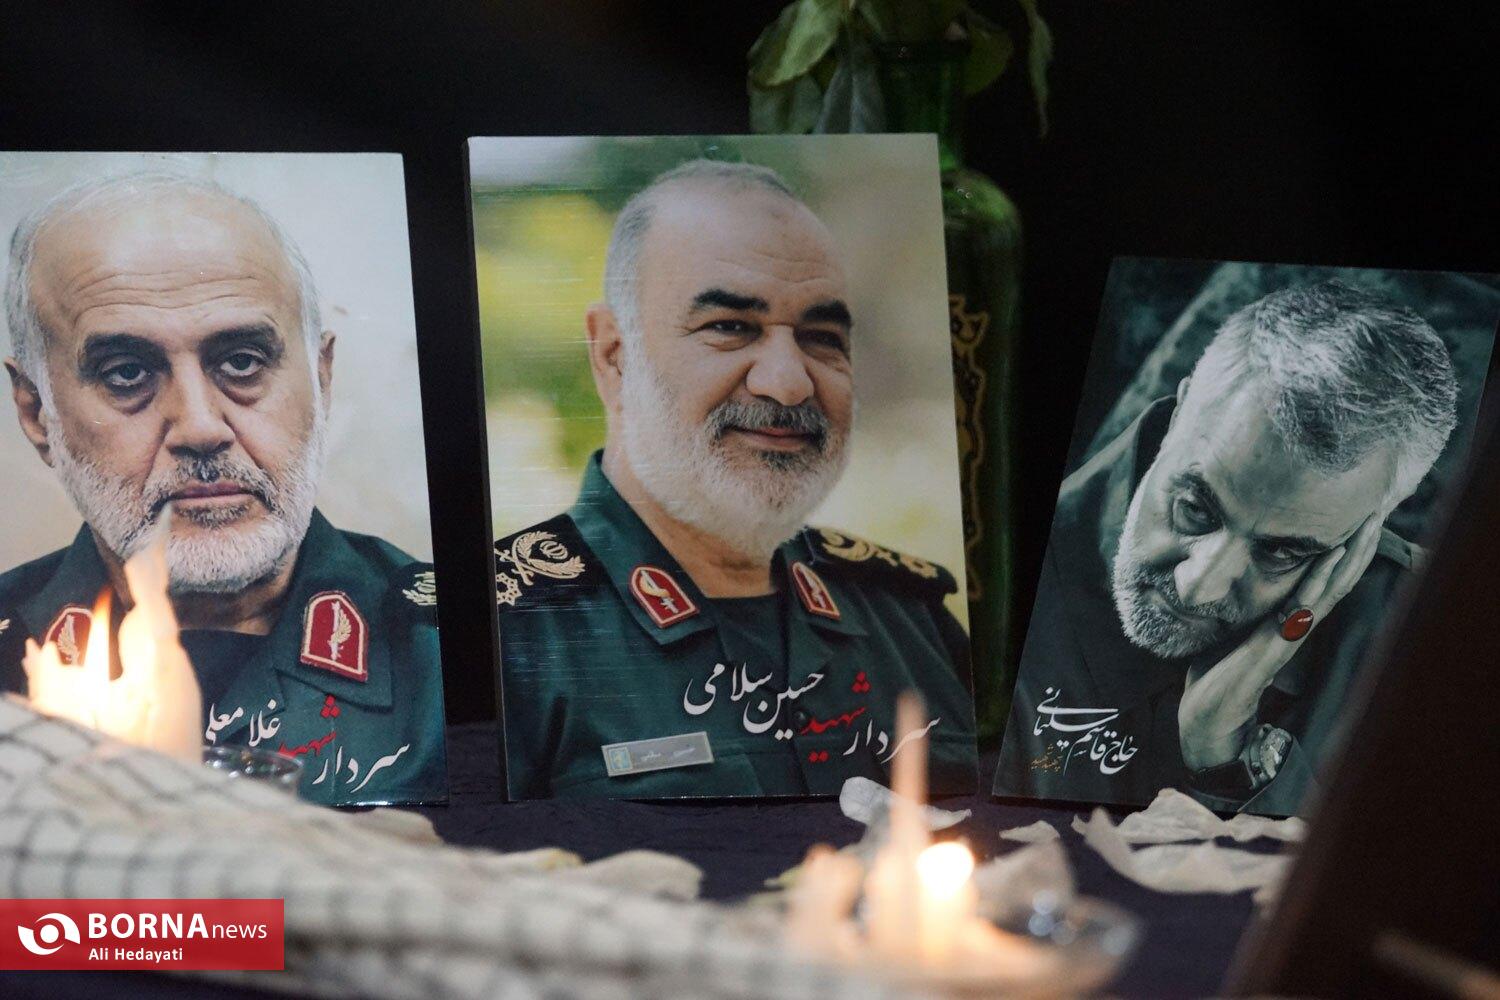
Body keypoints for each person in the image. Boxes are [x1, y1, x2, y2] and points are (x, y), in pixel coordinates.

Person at [493, 160, 977, 799]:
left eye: (822, 337)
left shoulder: (910, 622)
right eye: (729, 327)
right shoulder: (506, 636)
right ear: (614, 356)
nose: (789, 382)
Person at [0, 173, 446, 805]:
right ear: (36, 412)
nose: (201, 429)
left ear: (321, 380)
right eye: (126, 373)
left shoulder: (464, 648)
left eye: (242, 362)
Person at [994, 280, 1459, 816]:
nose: (1198, 586)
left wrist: (1226, 758)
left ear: (1369, 523)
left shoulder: (1434, 648)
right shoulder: (990, 582)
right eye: (1195, 508)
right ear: (1178, 414)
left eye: (1281, 553)